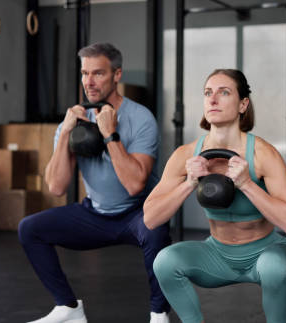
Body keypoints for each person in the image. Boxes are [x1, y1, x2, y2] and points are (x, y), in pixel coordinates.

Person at [18, 42, 171, 323]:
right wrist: (65, 133)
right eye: (85, 73)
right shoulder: (76, 119)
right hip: (95, 214)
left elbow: (136, 185)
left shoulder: (140, 118)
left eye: (98, 73)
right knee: (30, 229)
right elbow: (56, 187)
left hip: (137, 212)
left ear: (117, 75)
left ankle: (159, 314)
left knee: (156, 228)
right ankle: (68, 309)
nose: (89, 81)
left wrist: (110, 135)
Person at [143, 69, 286, 323]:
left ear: (243, 104)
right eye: (208, 93)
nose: (213, 99)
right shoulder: (186, 154)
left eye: (223, 92)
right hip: (217, 255)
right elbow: (150, 219)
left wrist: (247, 184)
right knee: (165, 261)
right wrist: (189, 183)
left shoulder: (262, 153)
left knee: (274, 268)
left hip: (266, 252)